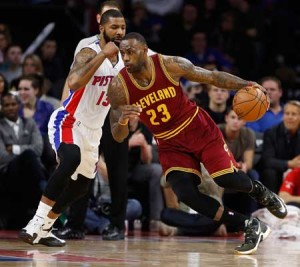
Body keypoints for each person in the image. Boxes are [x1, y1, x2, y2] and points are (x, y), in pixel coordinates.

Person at [107, 32, 287, 255]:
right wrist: (123, 119)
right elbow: (117, 135)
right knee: (186, 194)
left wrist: (247, 84)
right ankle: (249, 225)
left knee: (225, 178)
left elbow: (212, 78)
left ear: (144, 50)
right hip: (169, 143)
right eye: (122, 53)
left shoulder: (169, 64)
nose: (125, 58)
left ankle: (262, 193)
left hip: (197, 129)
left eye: (130, 52)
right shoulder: (119, 86)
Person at [19, 9, 126, 247]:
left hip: (93, 130)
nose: (119, 32)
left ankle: (45, 227)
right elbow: (74, 82)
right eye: (114, 27)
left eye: (123, 28)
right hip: (69, 120)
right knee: (70, 158)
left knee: (81, 187)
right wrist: (102, 55)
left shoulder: (122, 62)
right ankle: (35, 223)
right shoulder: (89, 51)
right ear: (102, 29)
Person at [0, 93, 46, 229]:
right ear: (2, 108)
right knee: (28, 156)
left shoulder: (29, 123)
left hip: (29, 172)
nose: (10, 108)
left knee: (29, 156)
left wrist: (13, 148)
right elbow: (2, 156)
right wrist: (25, 154)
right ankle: (45, 191)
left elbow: (39, 149)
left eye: (13, 104)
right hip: (8, 172)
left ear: (18, 106)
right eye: (6, 105)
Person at [261, 100, 300, 193]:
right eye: (287, 113)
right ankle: (271, 205)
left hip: (297, 169)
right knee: (269, 172)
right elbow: (267, 161)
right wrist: (289, 164)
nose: (290, 117)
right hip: (277, 171)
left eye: (294, 114)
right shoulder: (271, 133)